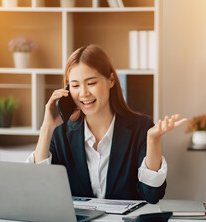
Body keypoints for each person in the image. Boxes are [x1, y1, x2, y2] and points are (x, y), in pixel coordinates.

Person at [27, 44, 187, 204]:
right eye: (75, 85)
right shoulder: (60, 133)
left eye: (91, 83)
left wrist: (153, 140)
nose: (83, 93)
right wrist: (47, 128)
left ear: (111, 80)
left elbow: (152, 195)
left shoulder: (141, 128)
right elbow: (39, 190)